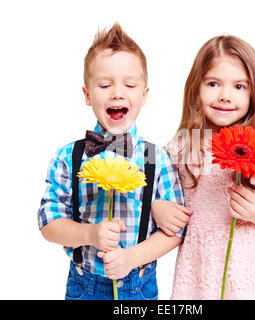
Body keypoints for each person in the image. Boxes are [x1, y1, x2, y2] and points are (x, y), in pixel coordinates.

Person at [37, 23, 191, 300]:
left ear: (143, 96)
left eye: (129, 84)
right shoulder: (67, 158)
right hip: (84, 285)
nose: (117, 92)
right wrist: (91, 235)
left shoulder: (157, 159)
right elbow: (49, 223)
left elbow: (177, 230)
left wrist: (133, 257)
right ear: (87, 95)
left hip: (139, 286)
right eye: (105, 85)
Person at [152, 35, 255, 299]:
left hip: (248, 274)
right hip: (199, 272)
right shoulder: (183, 148)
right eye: (213, 83)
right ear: (196, 87)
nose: (225, 96)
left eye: (239, 86)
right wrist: (157, 208)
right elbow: (152, 196)